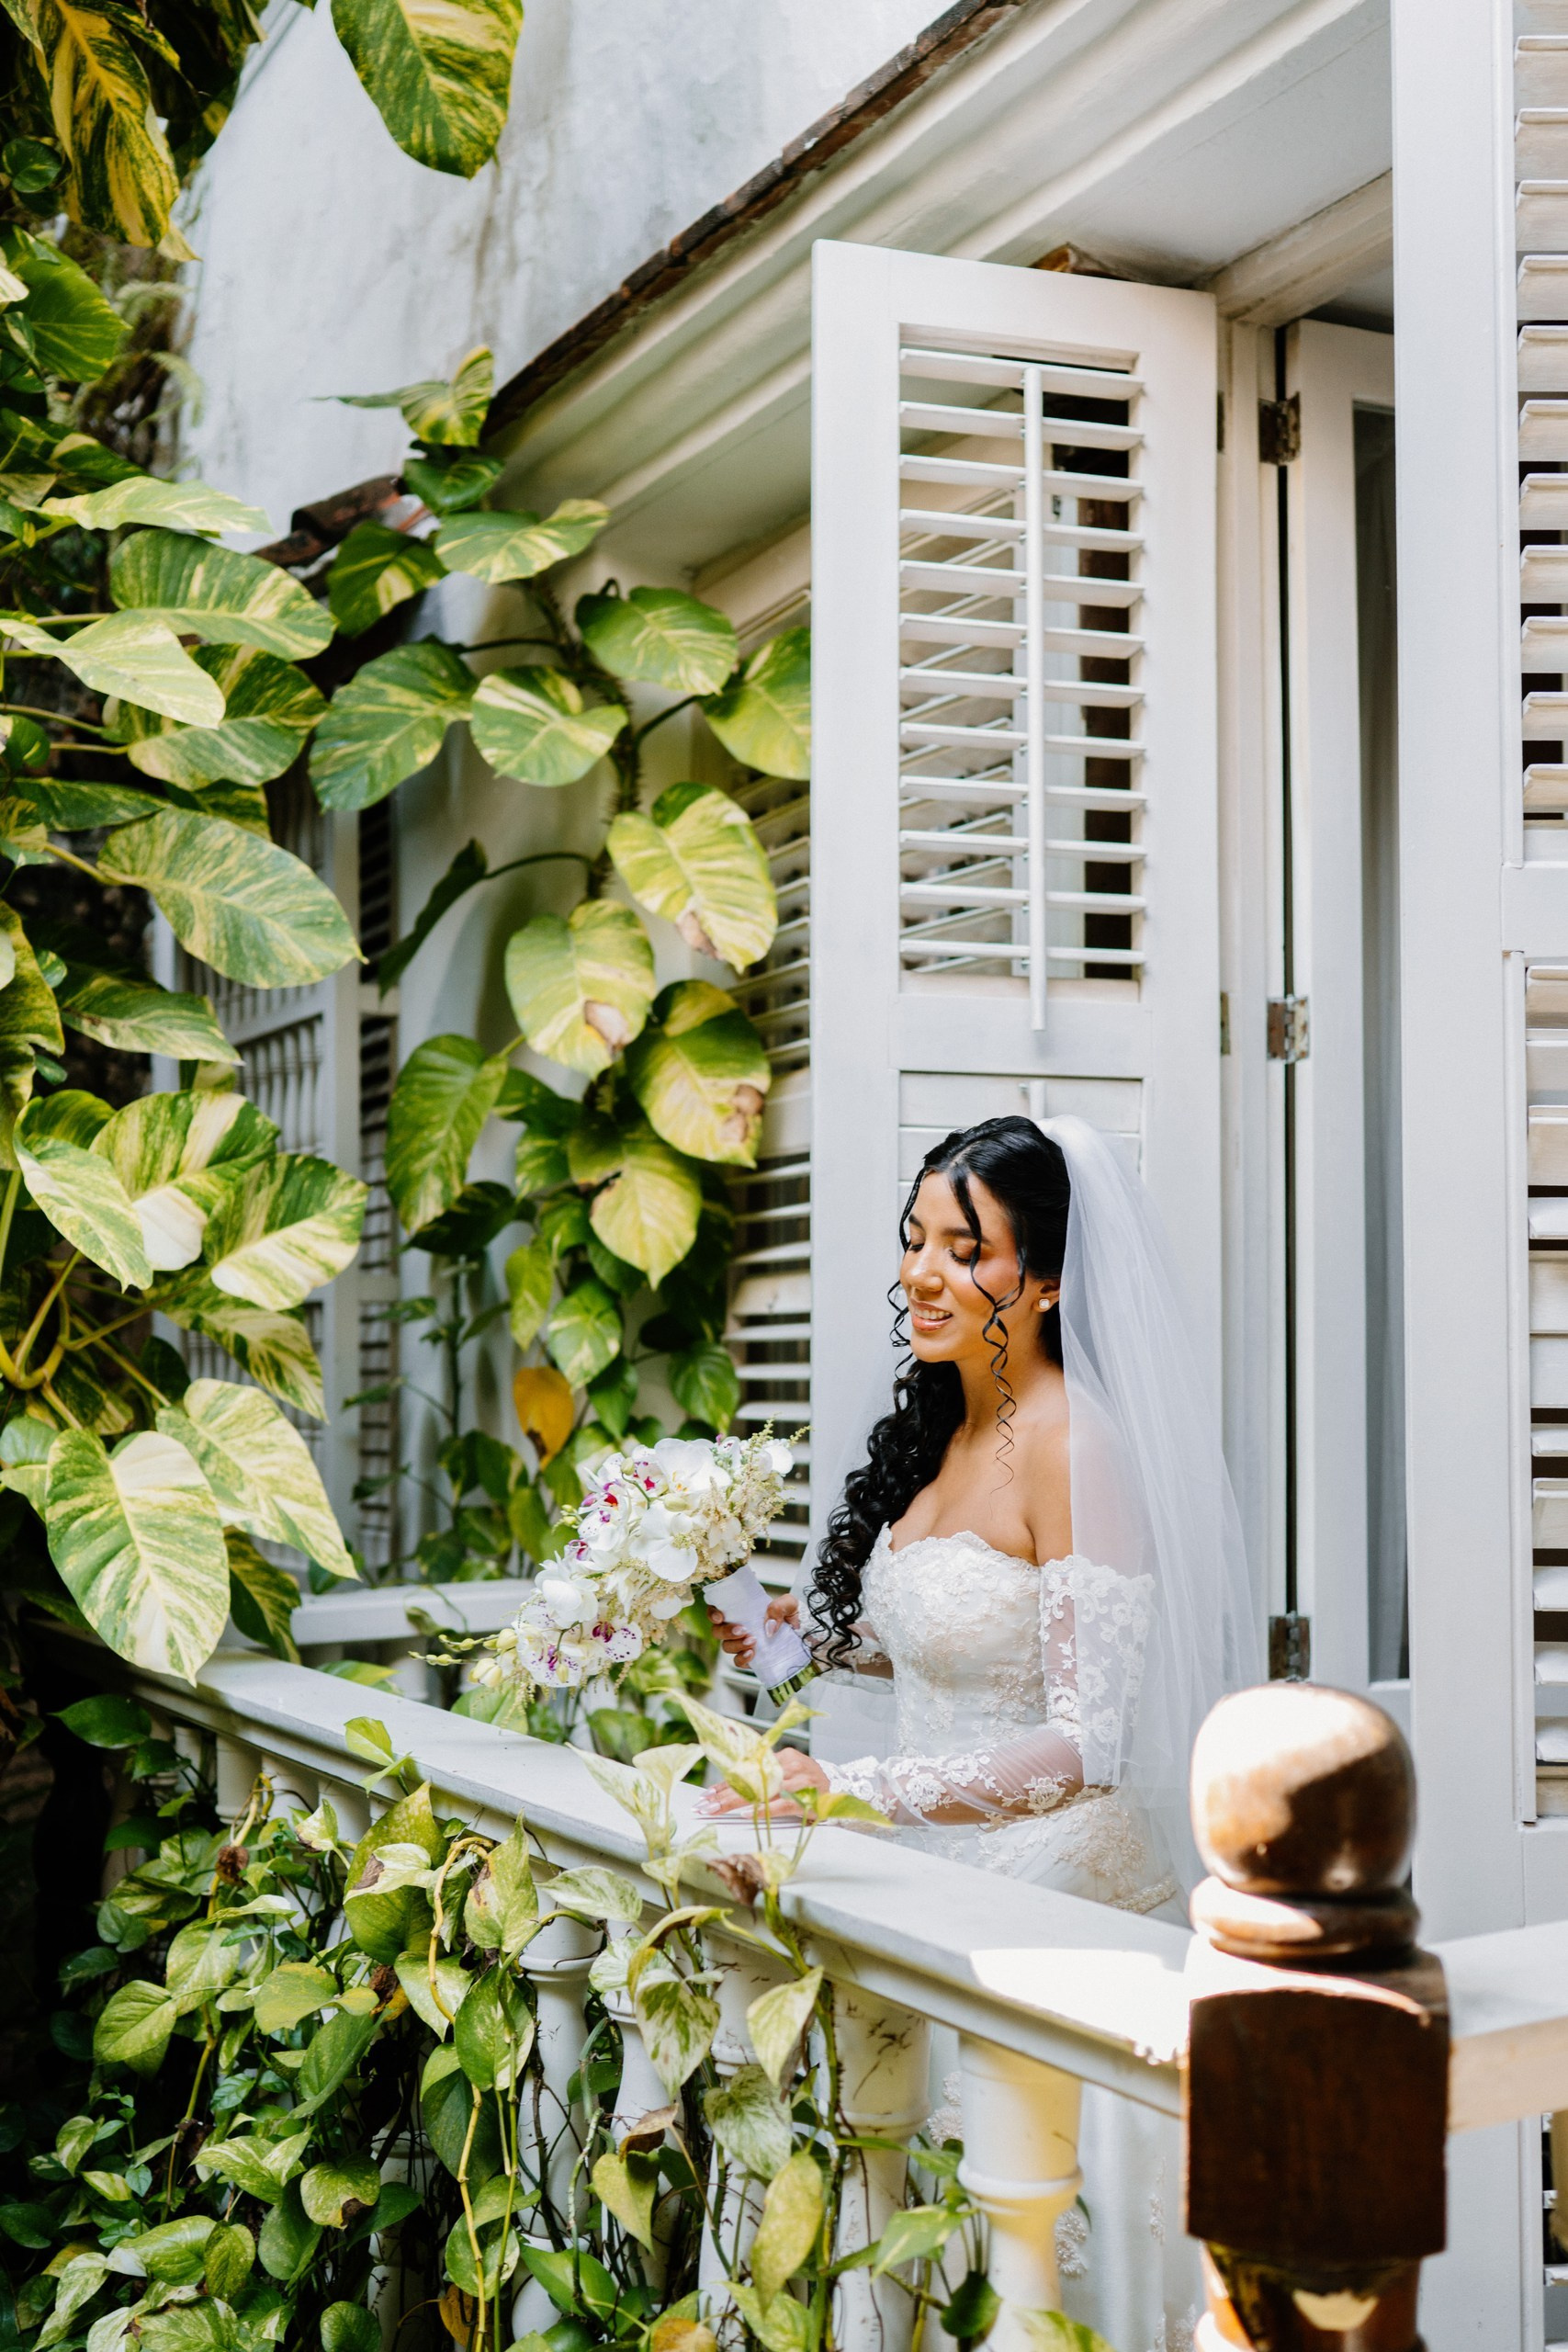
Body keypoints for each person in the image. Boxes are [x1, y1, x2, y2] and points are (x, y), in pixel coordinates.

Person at [701, 1114, 1259, 2352]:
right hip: (930, 1875)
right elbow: (940, 1643)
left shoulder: (1076, 1448)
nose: (926, 1274)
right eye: (917, 1243)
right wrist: (786, 1633)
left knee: (1020, 2247)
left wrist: (860, 1794)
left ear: (1047, 1281)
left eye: (968, 1250)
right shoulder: (941, 1434)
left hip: (1052, 1893)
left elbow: (1083, 1743)